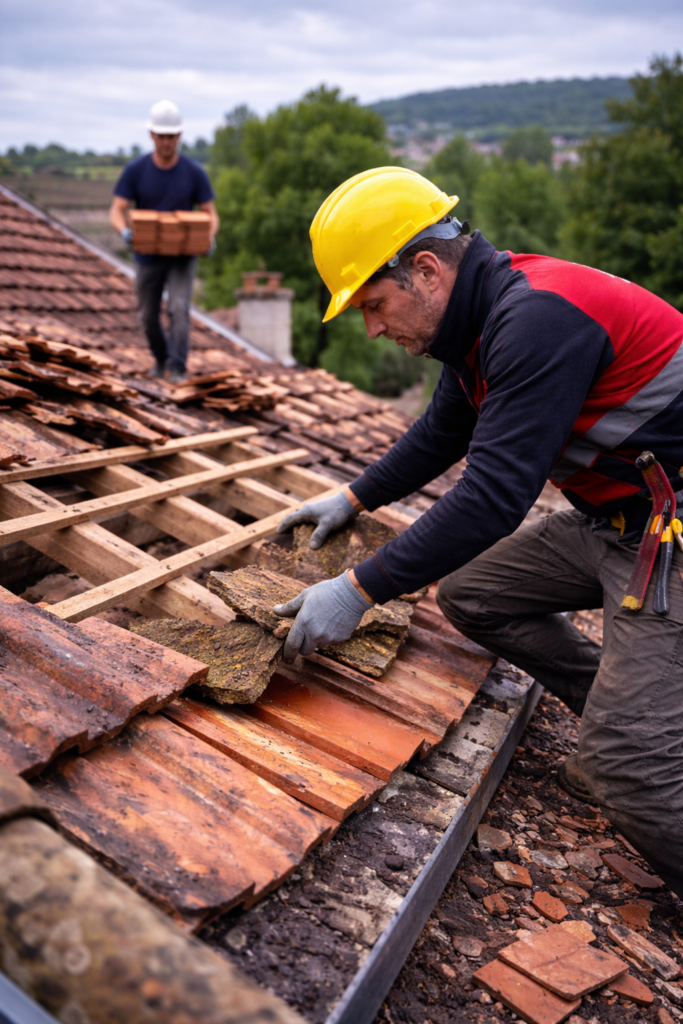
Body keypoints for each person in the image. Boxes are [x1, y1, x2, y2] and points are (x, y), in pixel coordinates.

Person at [275, 166, 683, 898]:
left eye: (374, 305)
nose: (373, 328)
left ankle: (640, 745)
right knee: (472, 595)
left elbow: (493, 498)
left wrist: (358, 587)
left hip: (670, 534)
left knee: (626, 774)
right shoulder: (477, 324)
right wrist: (352, 496)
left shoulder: (535, 320)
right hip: (615, 523)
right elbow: (441, 433)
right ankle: (636, 711)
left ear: (425, 270)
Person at [109, 100, 219, 382]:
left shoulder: (194, 173)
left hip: (182, 256)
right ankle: (161, 360)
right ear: (152, 135)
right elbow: (117, 210)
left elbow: (210, 214)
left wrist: (209, 237)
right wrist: (124, 231)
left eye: (171, 136)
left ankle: (178, 367)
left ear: (179, 136)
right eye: (162, 136)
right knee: (147, 314)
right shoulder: (136, 170)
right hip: (148, 256)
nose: (167, 142)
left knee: (179, 308)